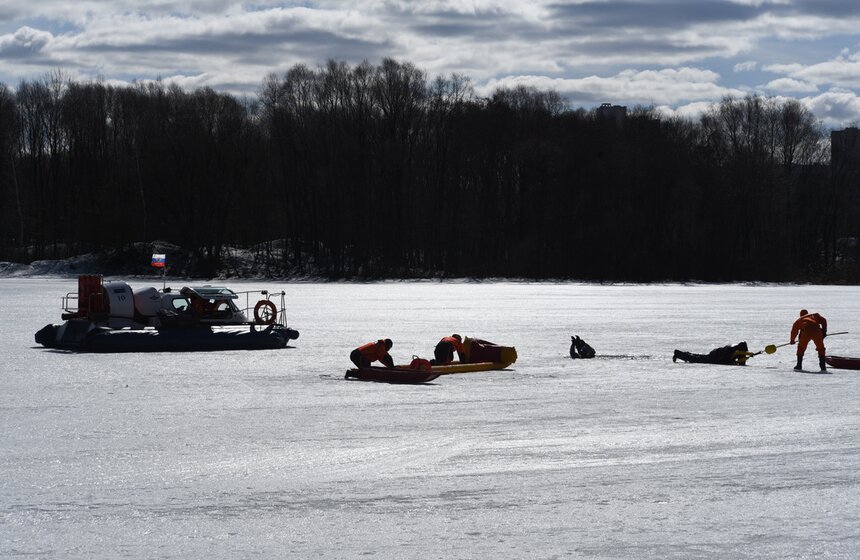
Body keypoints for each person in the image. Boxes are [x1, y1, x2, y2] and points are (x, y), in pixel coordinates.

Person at [673, 342, 753, 365]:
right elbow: (737, 355)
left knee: (699, 357)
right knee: (697, 359)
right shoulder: (736, 350)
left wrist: (748, 356)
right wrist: (749, 354)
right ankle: (679, 354)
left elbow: (737, 362)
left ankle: (684, 353)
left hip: (715, 353)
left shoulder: (736, 346)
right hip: (715, 357)